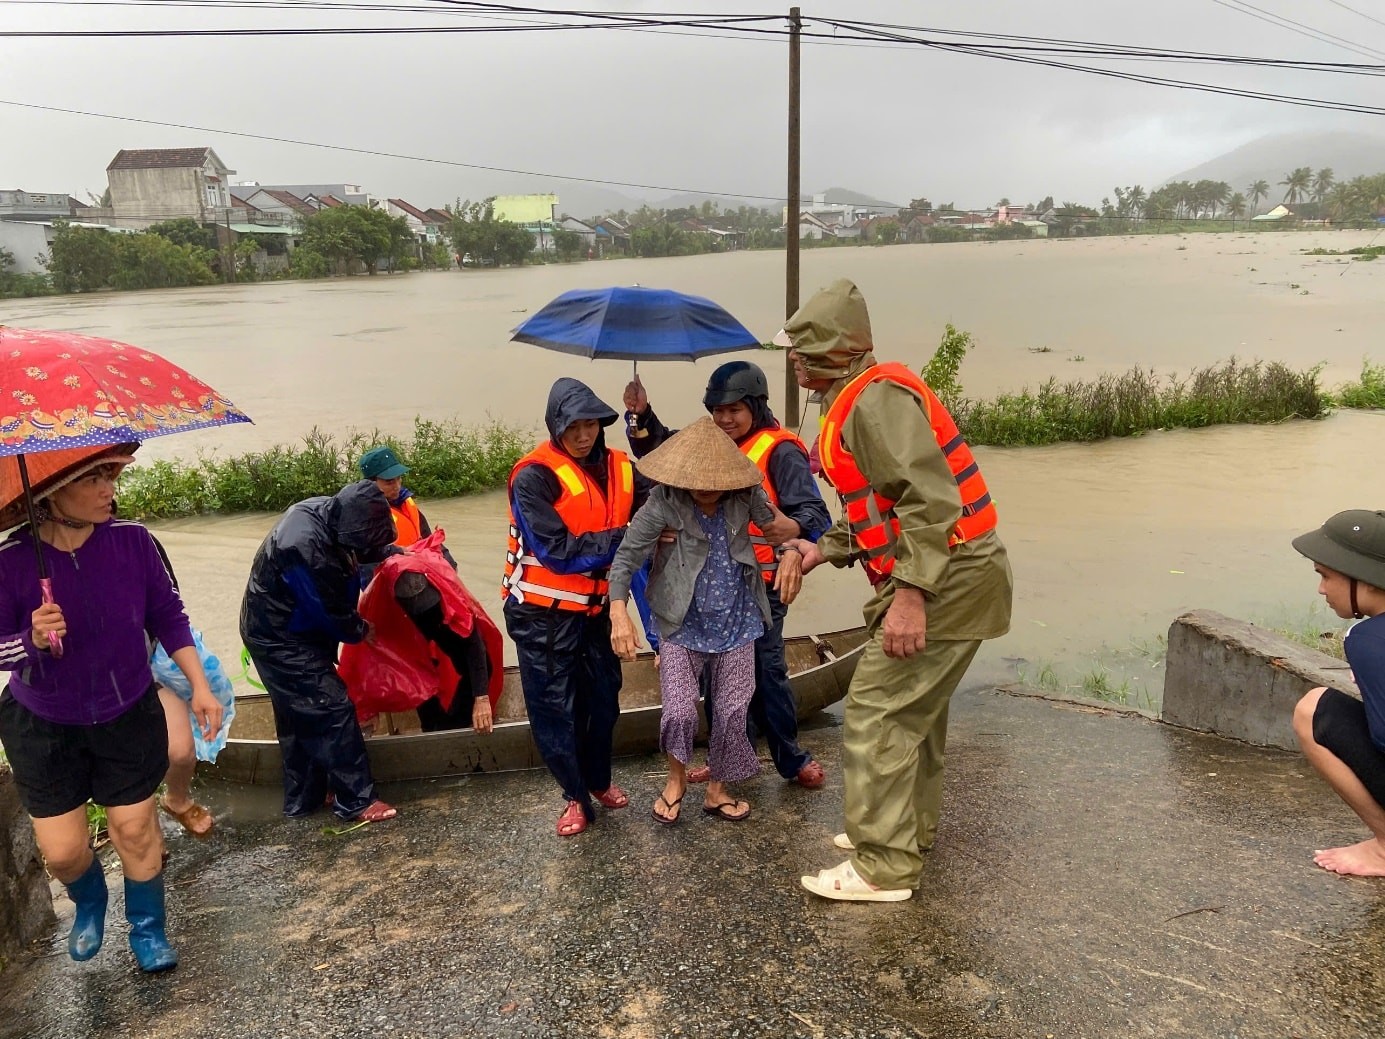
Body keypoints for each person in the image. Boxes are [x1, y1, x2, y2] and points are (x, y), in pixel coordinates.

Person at [778, 278, 1014, 902]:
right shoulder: (855, 398)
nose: (795, 359)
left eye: (803, 348)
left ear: (835, 347)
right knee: (916, 713)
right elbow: (874, 507)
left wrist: (910, 597)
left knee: (877, 710)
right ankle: (902, 833)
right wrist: (821, 547)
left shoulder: (875, 401)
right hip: (949, 569)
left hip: (946, 576)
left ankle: (883, 867)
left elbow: (932, 500)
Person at [0, 445, 222, 972]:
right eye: (94, 481)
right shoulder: (11, 563)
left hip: (126, 710)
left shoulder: (133, 542)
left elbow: (169, 616)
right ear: (52, 493)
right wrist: (31, 638)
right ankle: (91, 899)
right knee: (63, 852)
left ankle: (147, 928)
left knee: (135, 828)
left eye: (110, 478)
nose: (109, 491)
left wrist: (200, 687)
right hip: (43, 723)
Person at [624, 360, 833, 789]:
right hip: (711, 584)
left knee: (766, 671)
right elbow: (667, 454)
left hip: (762, 584)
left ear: (756, 406)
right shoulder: (710, 442)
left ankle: (791, 759)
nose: (724, 420)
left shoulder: (781, 451)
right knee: (718, 678)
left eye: (734, 410)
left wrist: (789, 529)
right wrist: (641, 415)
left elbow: (816, 516)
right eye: (717, 411)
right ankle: (725, 760)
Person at [609, 418, 786, 825]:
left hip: (738, 619)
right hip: (679, 621)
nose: (706, 488)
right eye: (697, 480)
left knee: (730, 710)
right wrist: (618, 609)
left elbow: (776, 528)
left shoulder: (744, 496)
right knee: (680, 711)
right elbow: (627, 556)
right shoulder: (664, 502)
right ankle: (675, 782)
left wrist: (796, 546)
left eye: (715, 481)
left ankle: (717, 789)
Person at [502, 378, 637, 837]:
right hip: (541, 615)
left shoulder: (623, 466)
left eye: (592, 425)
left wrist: (643, 421)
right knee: (555, 708)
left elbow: (666, 487)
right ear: (556, 426)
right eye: (573, 426)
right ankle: (574, 796)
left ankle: (597, 780)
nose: (584, 435)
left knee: (604, 700)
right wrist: (634, 538)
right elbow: (559, 552)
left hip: (594, 612)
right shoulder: (533, 477)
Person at [240, 480, 399, 823]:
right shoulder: (303, 545)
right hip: (280, 637)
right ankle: (355, 800)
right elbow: (327, 610)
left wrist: (395, 554)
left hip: (292, 629)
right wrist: (360, 630)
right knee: (332, 707)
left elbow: (361, 551)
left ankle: (305, 798)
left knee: (298, 715)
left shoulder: (332, 513)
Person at [1291, 510, 1385, 877]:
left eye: (1326, 575)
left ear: (1372, 582)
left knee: (1313, 710)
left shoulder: (1368, 641)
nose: (1321, 589)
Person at [340, 529, 502, 734]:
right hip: (400, 608)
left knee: (481, 663)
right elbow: (358, 660)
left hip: (431, 592)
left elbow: (472, 640)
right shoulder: (380, 601)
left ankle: (451, 727)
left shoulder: (443, 596)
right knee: (416, 675)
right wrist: (367, 708)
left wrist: (481, 698)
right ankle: (435, 729)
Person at [359, 444, 456, 568]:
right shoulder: (365, 516)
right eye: (389, 482)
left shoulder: (405, 502)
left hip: (420, 567)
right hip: (396, 574)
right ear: (370, 483)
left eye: (399, 478)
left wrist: (448, 562)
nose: (397, 486)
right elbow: (368, 564)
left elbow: (427, 538)